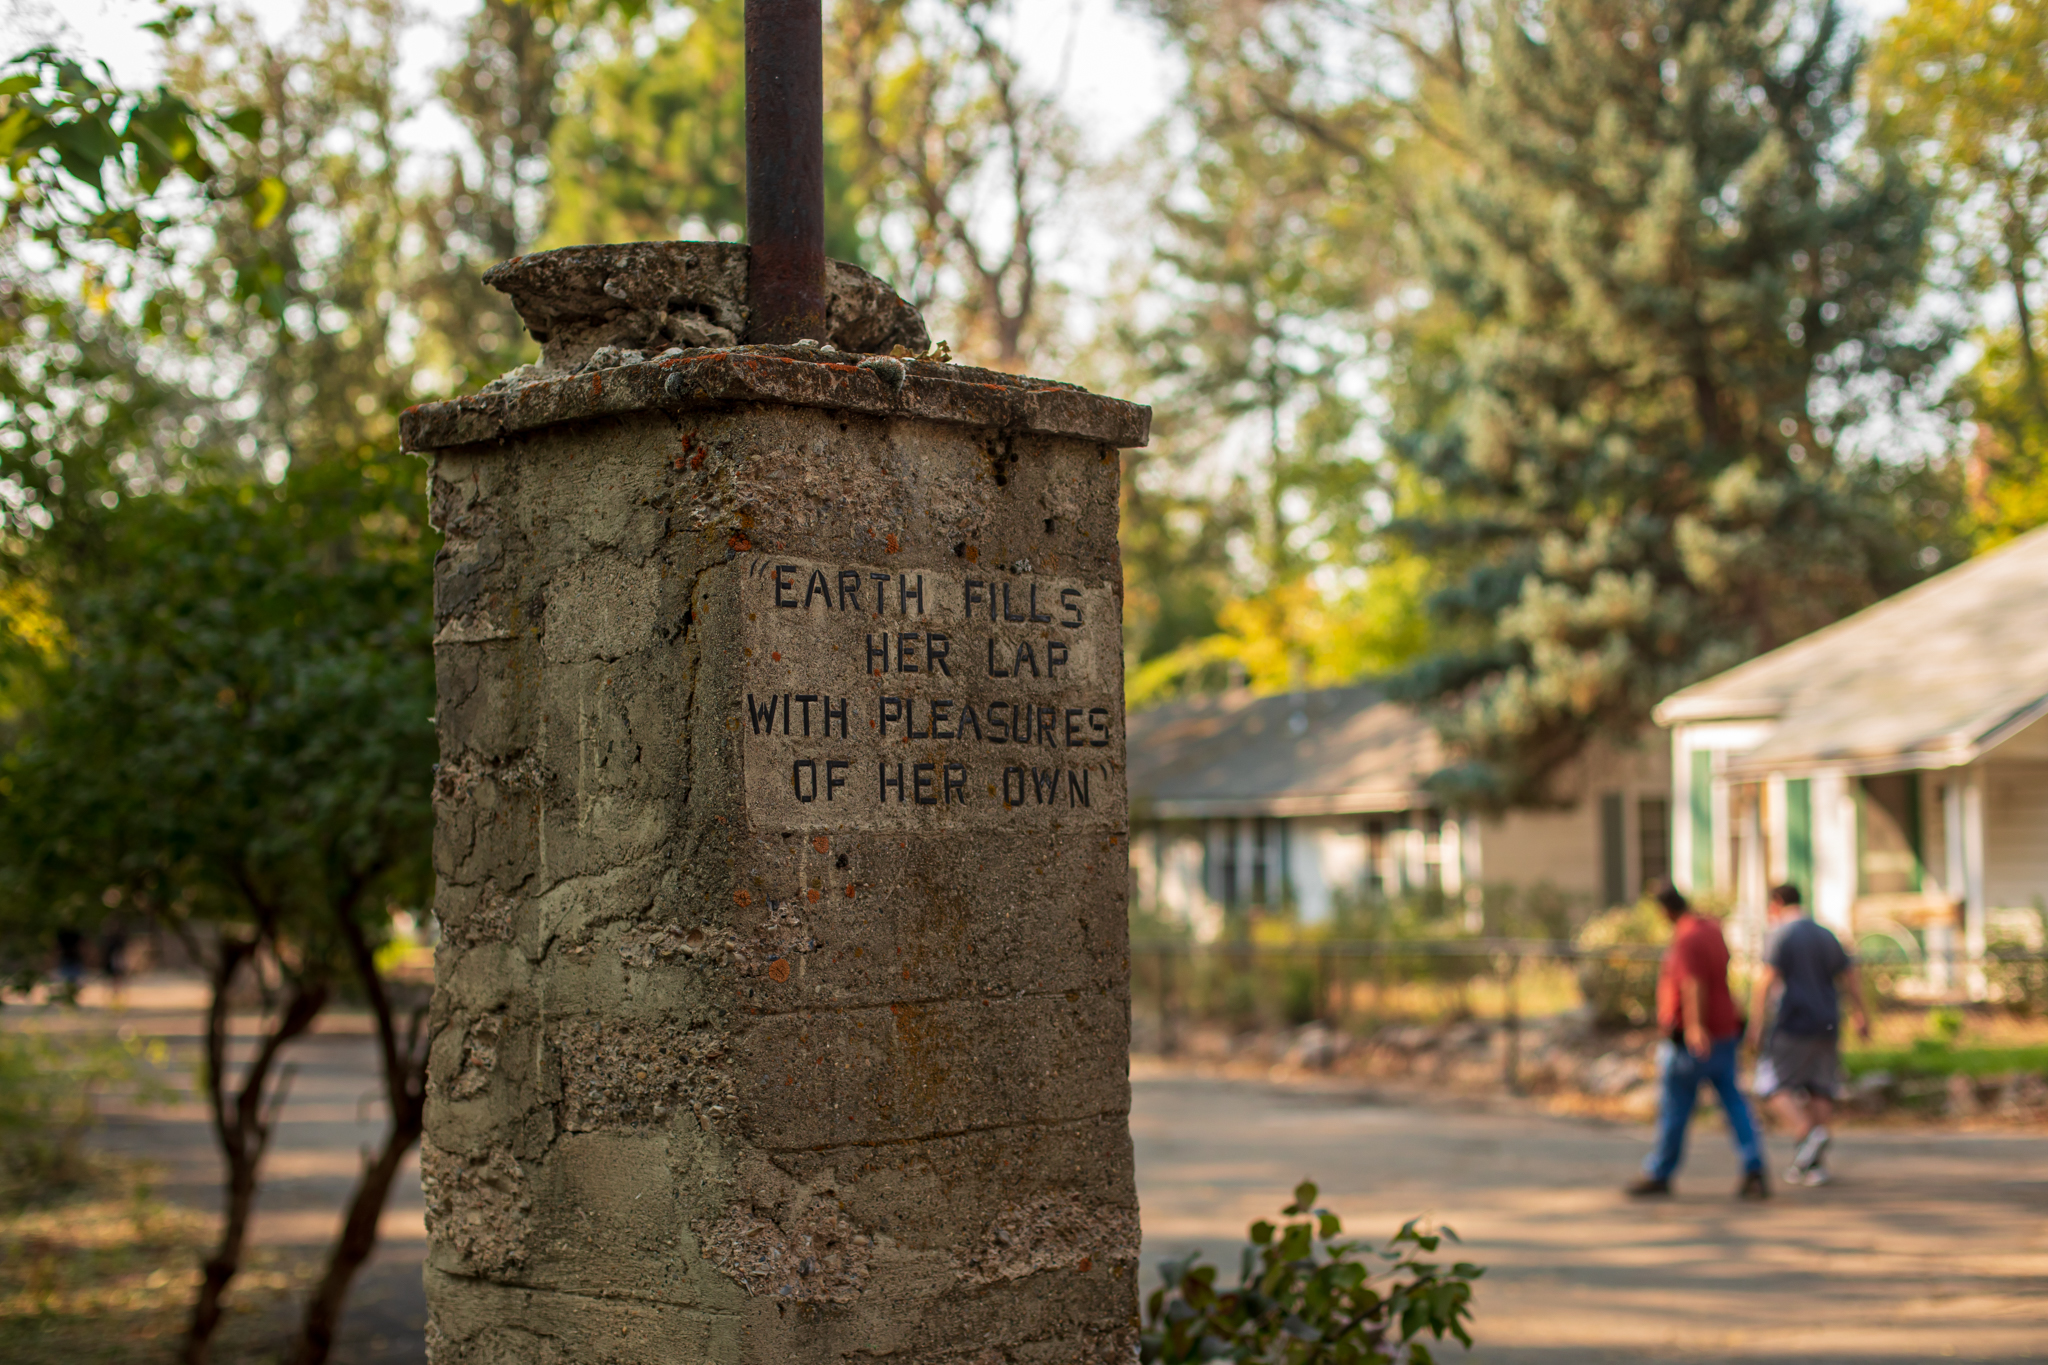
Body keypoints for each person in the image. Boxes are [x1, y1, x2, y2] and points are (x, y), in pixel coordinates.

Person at [1627, 882, 1769, 1200]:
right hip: (1724, 1028)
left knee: (1675, 1107)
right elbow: (1724, 971)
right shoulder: (1711, 928)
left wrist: (1694, 1027)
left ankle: (1660, 1171)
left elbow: (1693, 983)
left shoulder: (1688, 936)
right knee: (1734, 1102)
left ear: (1665, 911)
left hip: (1694, 1037)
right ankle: (1754, 1166)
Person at [1746, 883, 1869, 1186]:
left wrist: (1756, 1023)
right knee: (1820, 1087)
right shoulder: (1826, 933)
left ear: (1776, 903)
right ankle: (1813, 1163)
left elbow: (1766, 979)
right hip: (1828, 1020)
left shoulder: (1780, 934)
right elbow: (1850, 976)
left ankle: (1807, 1132)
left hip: (1793, 1021)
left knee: (1771, 1084)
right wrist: (1860, 1013)